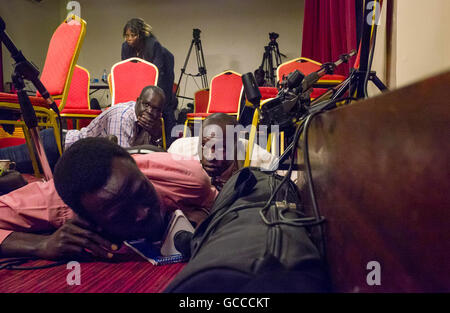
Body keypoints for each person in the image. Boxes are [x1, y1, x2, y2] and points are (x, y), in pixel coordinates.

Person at [0, 137, 217, 260]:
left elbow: (222, 200)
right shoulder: (55, 202)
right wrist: (41, 244)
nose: (142, 213)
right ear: (87, 220)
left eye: (142, 191)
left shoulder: (189, 179)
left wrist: (205, 212)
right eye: (122, 214)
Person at [0, 85, 165, 174]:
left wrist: (156, 135)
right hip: (57, 147)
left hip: (68, 161)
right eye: (146, 104)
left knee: (10, 171)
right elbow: (122, 162)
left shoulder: (151, 124)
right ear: (137, 101)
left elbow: (147, 160)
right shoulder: (122, 116)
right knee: (4, 161)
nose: (150, 112)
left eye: (156, 109)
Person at [168, 113, 278, 190]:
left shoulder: (261, 160)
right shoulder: (180, 151)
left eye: (220, 148)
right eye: (204, 146)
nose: (210, 156)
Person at [121, 18, 177, 145]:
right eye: (127, 36)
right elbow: (126, 68)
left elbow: (157, 71)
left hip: (163, 73)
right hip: (141, 77)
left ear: (140, 35)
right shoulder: (125, 47)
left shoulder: (153, 45)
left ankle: (168, 142)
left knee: (165, 104)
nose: (129, 39)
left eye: (133, 35)